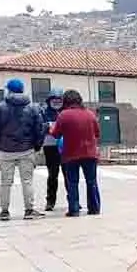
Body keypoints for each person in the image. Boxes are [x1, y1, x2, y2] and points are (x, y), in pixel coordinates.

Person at [0, 78, 45, 221]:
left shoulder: (0, 107)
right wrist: (37, 146)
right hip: (26, 149)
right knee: (27, 181)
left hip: (6, 150)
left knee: (5, 182)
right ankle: (29, 210)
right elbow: (39, 129)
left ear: (9, 90)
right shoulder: (32, 107)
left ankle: (4, 211)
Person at [50, 89, 101, 217]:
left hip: (71, 154)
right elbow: (97, 133)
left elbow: (56, 134)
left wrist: (50, 128)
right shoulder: (90, 114)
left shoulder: (63, 115)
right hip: (90, 153)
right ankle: (94, 208)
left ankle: (74, 209)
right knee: (92, 181)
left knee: (72, 182)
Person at [41, 88, 66, 211]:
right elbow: (40, 127)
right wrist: (49, 126)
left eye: (59, 100)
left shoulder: (66, 112)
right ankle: (50, 201)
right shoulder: (44, 112)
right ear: (49, 100)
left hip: (65, 146)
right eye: (54, 99)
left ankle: (72, 198)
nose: (56, 102)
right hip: (50, 146)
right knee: (52, 175)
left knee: (68, 174)